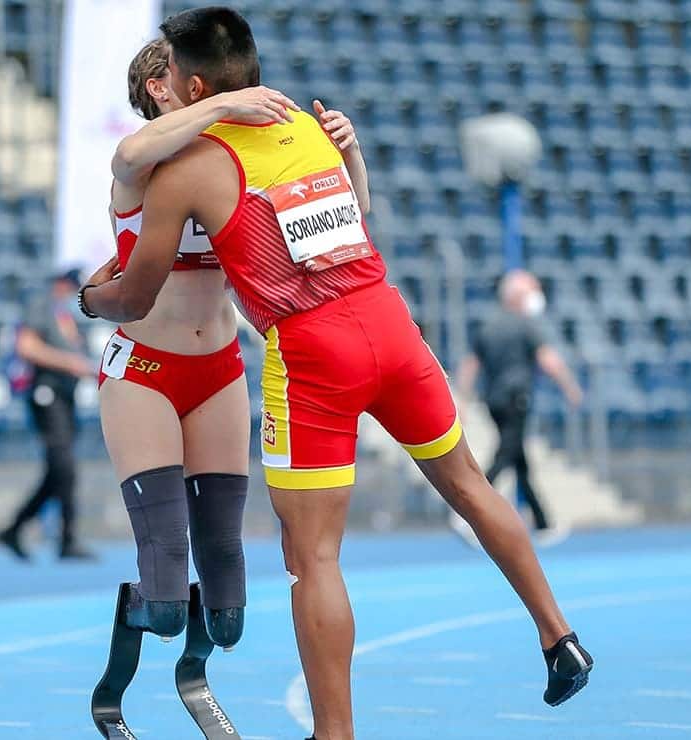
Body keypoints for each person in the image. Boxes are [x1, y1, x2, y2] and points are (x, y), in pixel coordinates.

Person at [78, 8, 594, 739]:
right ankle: (558, 636)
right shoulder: (303, 123)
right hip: (388, 320)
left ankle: (333, 733)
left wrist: (89, 297)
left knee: (312, 558)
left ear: (187, 85)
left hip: (314, 348)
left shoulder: (191, 167)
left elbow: (133, 291)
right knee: (472, 484)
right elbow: (356, 212)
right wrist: (347, 153)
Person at [96, 39, 367, 647]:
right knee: (166, 601)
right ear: (160, 89)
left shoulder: (231, 163)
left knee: (228, 615)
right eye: (187, 72)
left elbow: (349, 225)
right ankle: (138, 609)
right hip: (144, 372)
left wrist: (348, 158)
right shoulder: (142, 166)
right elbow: (129, 150)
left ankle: (193, 622)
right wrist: (230, 104)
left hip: (218, 369)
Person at [456, 270, 584, 533]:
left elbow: (469, 366)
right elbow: (549, 361)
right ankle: (468, 509)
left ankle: (542, 523)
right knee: (505, 455)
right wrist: (570, 387)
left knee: (519, 460)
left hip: (494, 401)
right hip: (517, 400)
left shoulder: (488, 325)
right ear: (516, 296)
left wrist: (464, 401)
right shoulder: (526, 325)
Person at [0, 269, 96, 561]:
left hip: (64, 397)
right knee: (64, 467)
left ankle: (14, 528)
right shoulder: (41, 304)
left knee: (58, 472)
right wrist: (70, 363)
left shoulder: (63, 315)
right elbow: (27, 346)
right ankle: (67, 539)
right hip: (46, 393)